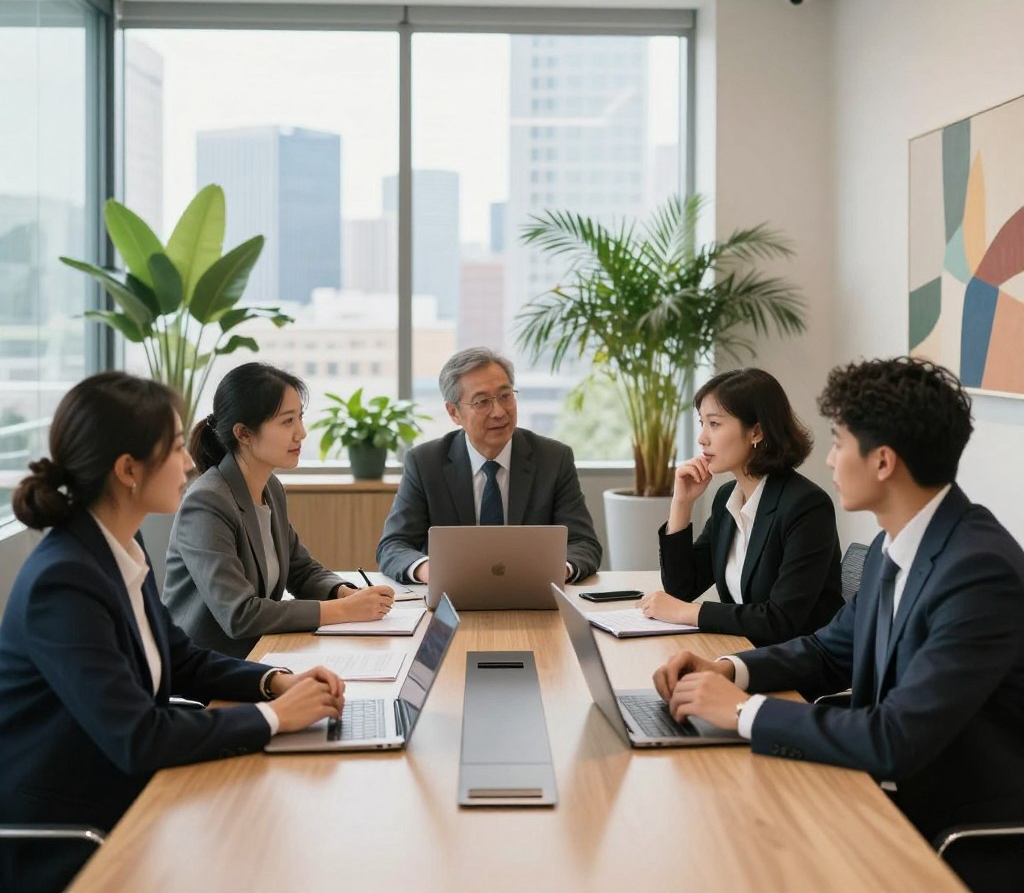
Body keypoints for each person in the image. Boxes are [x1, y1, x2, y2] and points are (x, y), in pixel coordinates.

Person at [652, 357, 1024, 887]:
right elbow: (829, 651)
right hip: (885, 795)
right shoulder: (889, 547)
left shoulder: (977, 571)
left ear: (883, 462)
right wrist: (728, 669)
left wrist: (742, 712)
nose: (828, 461)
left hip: (956, 834)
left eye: (839, 443)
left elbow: (895, 737)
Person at [0, 372, 344, 893]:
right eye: (178, 448)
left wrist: (275, 681)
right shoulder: (64, 581)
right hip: (78, 835)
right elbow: (139, 737)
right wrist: (273, 718)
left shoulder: (117, 547)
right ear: (128, 470)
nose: (189, 463)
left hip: (133, 792)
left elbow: (182, 659)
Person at [164, 363, 394, 658]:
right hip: (209, 671)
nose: (301, 433)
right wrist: (342, 610)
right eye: (287, 422)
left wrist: (344, 593)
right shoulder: (207, 502)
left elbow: (301, 570)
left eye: (299, 418)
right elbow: (240, 614)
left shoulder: (269, 487)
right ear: (244, 434)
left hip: (260, 654)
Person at [639, 368, 843, 646]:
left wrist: (688, 613)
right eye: (702, 422)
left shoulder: (806, 506)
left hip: (795, 670)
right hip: (743, 652)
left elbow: (780, 620)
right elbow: (682, 588)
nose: (702, 438)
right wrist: (681, 503)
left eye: (715, 424)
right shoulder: (726, 499)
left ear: (756, 431)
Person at [376, 347, 602, 584]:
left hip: (534, 597)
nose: (499, 412)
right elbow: (393, 545)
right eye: (482, 402)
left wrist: (559, 570)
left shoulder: (553, 459)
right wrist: (428, 570)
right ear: (454, 412)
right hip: (452, 598)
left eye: (505, 396)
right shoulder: (425, 463)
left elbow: (584, 543)